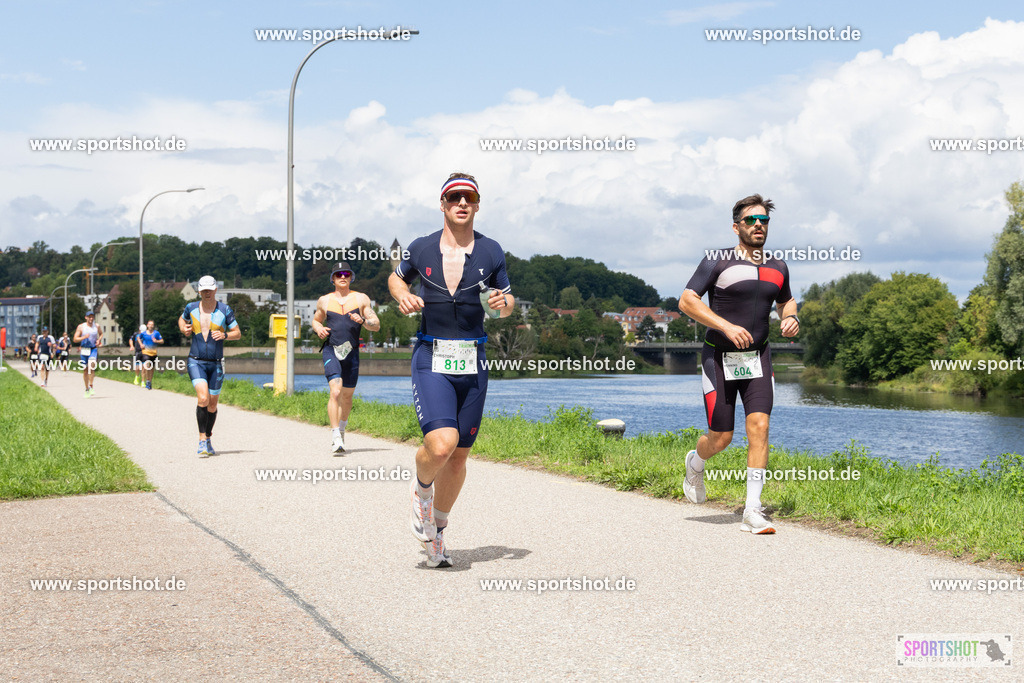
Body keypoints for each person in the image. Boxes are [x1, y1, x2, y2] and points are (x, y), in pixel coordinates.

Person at [388, 172, 515, 568]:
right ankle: (422, 491)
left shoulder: (491, 251)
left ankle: (437, 533)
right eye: (454, 197)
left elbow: (508, 301)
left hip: (473, 359)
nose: (462, 203)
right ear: (443, 205)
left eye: (469, 198)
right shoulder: (422, 248)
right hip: (432, 356)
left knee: (459, 456)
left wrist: (501, 304)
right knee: (441, 444)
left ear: (477, 206)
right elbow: (395, 278)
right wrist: (404, 294)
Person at [678, 193, 799, 534]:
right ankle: (696, 462)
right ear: (736, 227)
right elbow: (687, 300)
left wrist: (791, 317)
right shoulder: (717, 261)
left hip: (758, 357)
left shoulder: (779, 267)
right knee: (721, 437)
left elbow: (786, 300)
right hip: (719, 357)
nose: (758, 225)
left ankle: (752, 510)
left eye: (764, 221)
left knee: (759, 426)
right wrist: (726, 326)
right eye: (751, 220)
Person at [311, 261, 380, 454]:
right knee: (335, 391)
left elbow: (376, 324)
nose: (343, 277)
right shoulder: (324, 300)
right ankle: (334, 436)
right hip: (331, 350)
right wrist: (319, 329)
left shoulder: (361, 299)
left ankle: (341, 430)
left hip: (351, 353)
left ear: (351, 278)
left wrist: (364, 321)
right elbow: (316, 320)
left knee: (347, 397)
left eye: (346, 274)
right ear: (333, 278)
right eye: (339, 274)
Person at [179, 275, 241, 457]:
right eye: (203, 290)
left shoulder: (224, 309)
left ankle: (208, 436)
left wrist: (225, 336)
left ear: (215, 290)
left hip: (216, 363)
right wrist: (184, 328)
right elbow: (181, 320)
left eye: (210, 290)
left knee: (212, 405)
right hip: (195, 360)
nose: (207, 293)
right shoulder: (190, 308)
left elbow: (237, 332)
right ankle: (201, 441)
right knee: (203, 398)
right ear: (199, 291)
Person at [73, 311, 103, 397]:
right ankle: (86, 389)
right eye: (89, 317)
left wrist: (99, 340)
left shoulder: (96, 326)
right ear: (86, 317)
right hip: (84, 350)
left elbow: (101, 334)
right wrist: (84, 337)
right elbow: (75, 339)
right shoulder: (81, 327)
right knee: (85, 370)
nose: (91, 318)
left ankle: (91, 386)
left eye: (92, 317)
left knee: (91, 366)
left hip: (93, 349)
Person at [138, 319, 164, 390]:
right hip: (145, 352)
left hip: (154, 353)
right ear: (147, 325)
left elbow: (162, 341)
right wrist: (141, 344)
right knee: (147, 365)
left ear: (153, 326)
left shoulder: (156, 333)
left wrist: (157, 341)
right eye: (149, 324)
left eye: (152, 325)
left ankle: (149, 381)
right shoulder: (144, 333)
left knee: (152, 369)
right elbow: (138, 338)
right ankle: (147, 380)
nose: (151, 326)